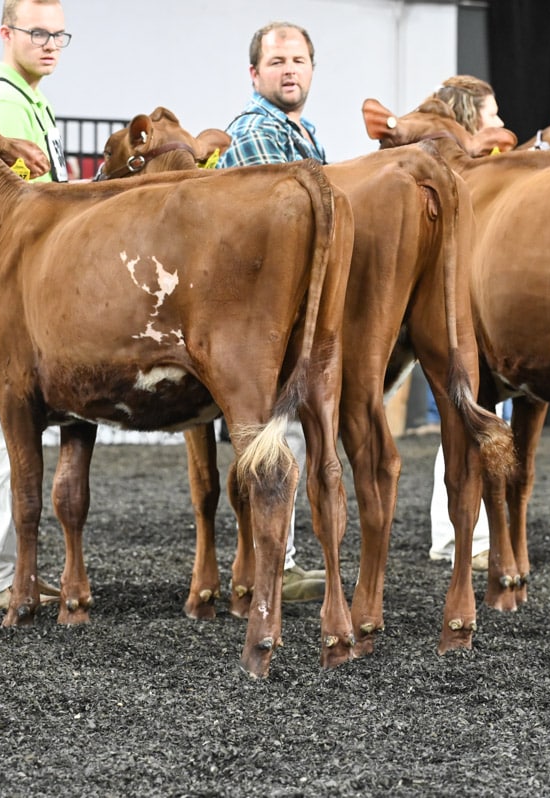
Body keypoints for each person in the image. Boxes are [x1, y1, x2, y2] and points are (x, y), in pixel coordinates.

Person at [0, 0, 72, 611]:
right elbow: (21, 205)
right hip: (12, 292)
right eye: (38, 33)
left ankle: (7, 569)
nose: (51, 43)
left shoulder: (32, 99)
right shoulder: (1, 101)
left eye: (60, 34)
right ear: (7, 34)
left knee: (12, 424)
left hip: (25, 289)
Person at [216, 21, 326, 602]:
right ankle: (264, 569)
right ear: (254, 74)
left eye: (299, 60)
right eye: (278, 61)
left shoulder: (305, 135)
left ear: (312, 70)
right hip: (254, 318)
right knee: (268, 437)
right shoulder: (256, 133)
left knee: (280, 438)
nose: (290, 70)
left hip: (278, 314)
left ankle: (276, 561)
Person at [422, 75, 503, 571]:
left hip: (462, 300)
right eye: (492, 114)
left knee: (472, 414)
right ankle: (455, 539)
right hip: (450, 305)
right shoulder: (452, 172)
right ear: (470, 119)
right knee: (463, 412)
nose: (500, 123)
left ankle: (464, 536)